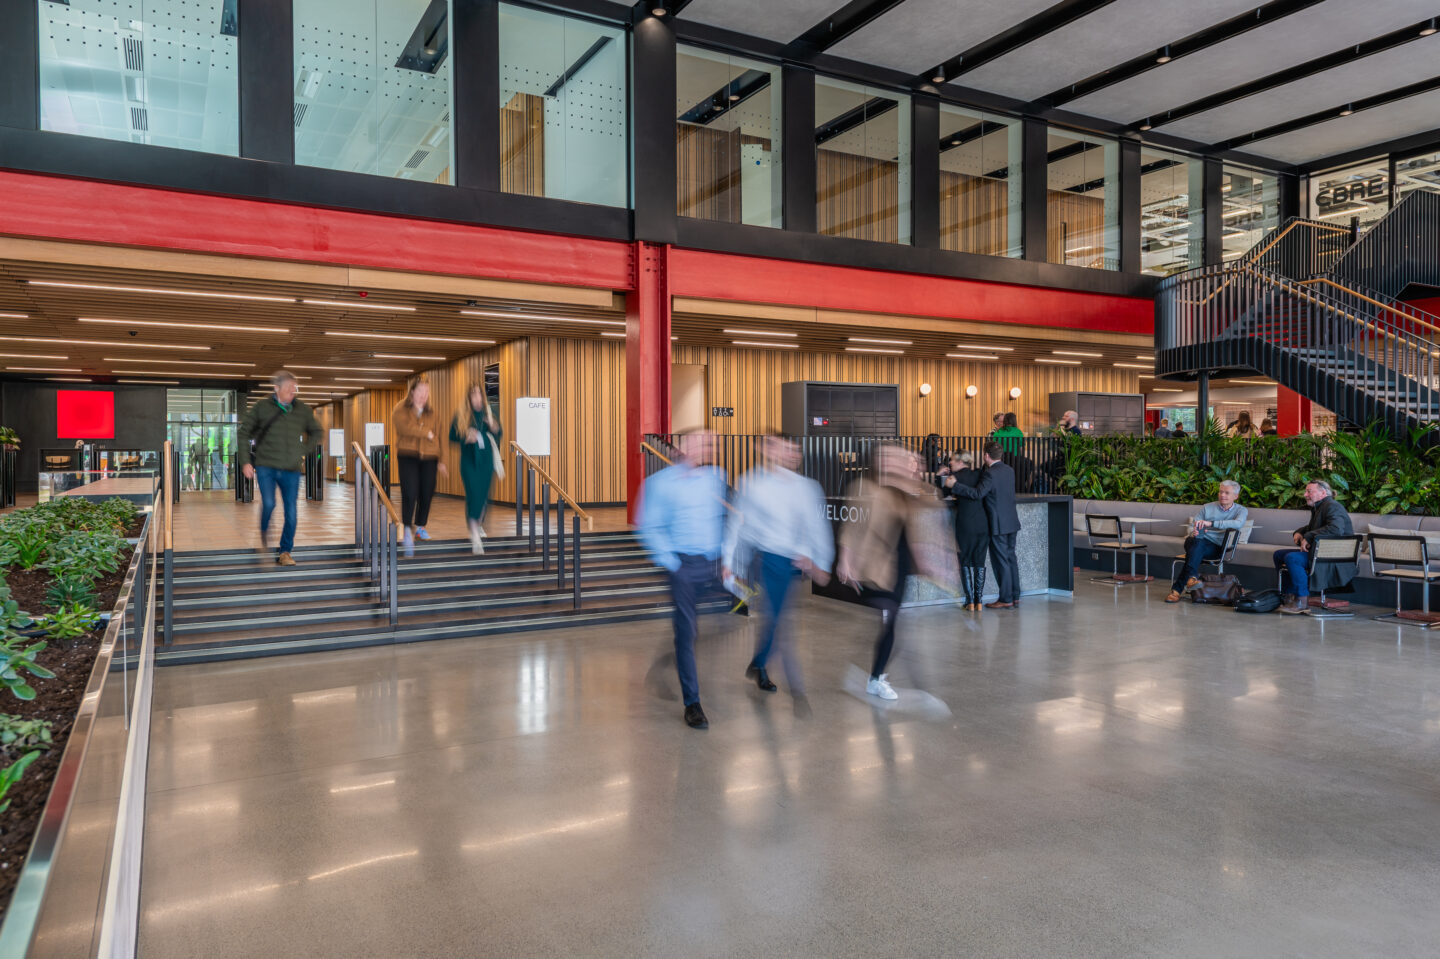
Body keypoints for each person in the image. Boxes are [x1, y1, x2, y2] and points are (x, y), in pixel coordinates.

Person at [722, 434, 832, 713]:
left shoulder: (807, 487)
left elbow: (816, 526)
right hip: (766, 559)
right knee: (781, 622)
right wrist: (733, 565)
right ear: (770, 451)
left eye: (795, 450)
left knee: (776, 619)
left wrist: (821, 562)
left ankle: (759, 662)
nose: (792, 455)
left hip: (794, 563)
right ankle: (798, 693)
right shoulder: (752, 484)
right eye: (785, 449)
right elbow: (739, 526)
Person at [836, 444, 953, 701]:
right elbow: (852, 528)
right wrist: (845, 560)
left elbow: (930, 512)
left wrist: (931, 563)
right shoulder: (866, 489)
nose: (893, 463)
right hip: (874, 570)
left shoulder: (908, 492)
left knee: (893, 625)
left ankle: (876, 676)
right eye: (886, 459)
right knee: (891, 622)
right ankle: (876, 679)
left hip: (898, 570)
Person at [638, 430, 728, 729]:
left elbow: (721, 519)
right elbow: (649, 526)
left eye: (710, 443)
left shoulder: (715, 478)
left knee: (707, 628)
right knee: (688, 631)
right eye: (700, 441)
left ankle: (665, 663)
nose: (707, 447)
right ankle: (693, 703)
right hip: (683, 565)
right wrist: (673, 564)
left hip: (712, 564)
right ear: (682, 446)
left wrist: (725, 560)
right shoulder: (660, 483)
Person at [238, 370, 323, 566]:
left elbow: (317, 431)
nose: (293, 392)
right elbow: (244, 433)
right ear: (276, 388)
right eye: (289, 388)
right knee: (269, 504)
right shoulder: (262, 407)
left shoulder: (302, 409)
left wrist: (303, 450)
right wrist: (245, 461)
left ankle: (285, 551)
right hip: (266, 466)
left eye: (295, 389)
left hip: (291, 469)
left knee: (291, 511)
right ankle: (263, 536)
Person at [948, 440, 1021, 609]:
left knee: (1001, 561)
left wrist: (955, 486)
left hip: (998, 524)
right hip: (1012, 521)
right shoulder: (1009, 470)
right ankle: (1015, 595)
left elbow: (977, 494)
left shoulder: (990, 474)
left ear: (986, 455)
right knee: (1011, 558)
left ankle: (1006, 598)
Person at [1273, 480, 1355, 615]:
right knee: (1278, 555)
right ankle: (1289, 597)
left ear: (1323, 493)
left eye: (1309, 491)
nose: (1305, 495)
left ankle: (1302, 601)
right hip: (1321, 551)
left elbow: (1335, 529)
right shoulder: (1320, 507)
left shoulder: (1333, 506)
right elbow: (1315, 527)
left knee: (1293, 558)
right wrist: (1300, 532)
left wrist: (1309, 536)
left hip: (1334, 555)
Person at [1166, 479, 1249, 603]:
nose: (1222, 495)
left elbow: (1238, 524)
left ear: (1235, 496)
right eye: (1221, 492)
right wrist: (1194, 531)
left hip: (1217, 547)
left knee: (1193, 554)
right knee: (1194, 541)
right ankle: (1190, 580)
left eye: (1227, 493)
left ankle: (1178, 589)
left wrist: (1211, 523)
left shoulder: (1241, 510)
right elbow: (1194, 525)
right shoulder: (1207, 507)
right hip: (1198, 541)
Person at [392, 376, 447, 556]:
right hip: (407, 454)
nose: (424, 395)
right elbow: (403, 428)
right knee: (410, 491)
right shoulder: (401, 408)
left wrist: (442, 460)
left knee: (427, 491)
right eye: (421, 391)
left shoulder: (433, 413)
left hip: (430, 456)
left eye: (426, 392)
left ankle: (420, 526)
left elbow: (441, 436)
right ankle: (407, 528)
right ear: (413, 392)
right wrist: (425, 433)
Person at [450, 384, 503, 555]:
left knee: (483, 496)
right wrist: (466, 436)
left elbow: (499, 432)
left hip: (486, 460)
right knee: (473, 494)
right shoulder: (462, 414)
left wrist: (494, 426)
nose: (477, 398)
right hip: (469, 461)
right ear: (468, 398)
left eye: (479, 394)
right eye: (473, 395)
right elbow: (452, 436)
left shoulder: (489, 412)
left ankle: (478, 524)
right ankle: (474, 532)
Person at [938, 450, 989, 610]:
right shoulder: (979, 474)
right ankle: (979, 601)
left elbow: (939, 495)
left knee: (965, 561)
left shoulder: (954, 478)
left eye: (952, 460)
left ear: (960, 462)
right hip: (982, 523)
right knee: (980, 562)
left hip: (965, 524)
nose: (950, 463)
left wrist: (939, 476)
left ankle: (970, 601)